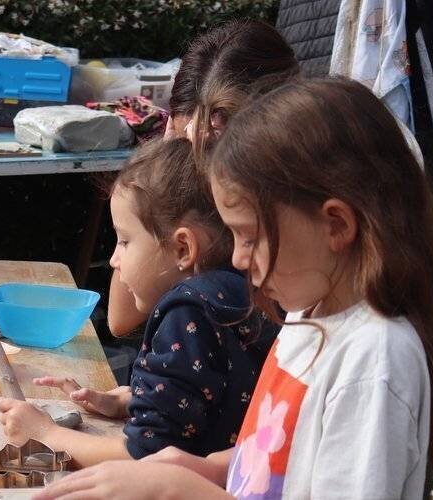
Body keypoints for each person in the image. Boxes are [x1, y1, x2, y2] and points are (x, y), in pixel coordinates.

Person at [35, 78, 433, 500]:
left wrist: (183, 490)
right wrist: (210, 467)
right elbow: (278, 454)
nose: (237, 259)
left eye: (251, 237)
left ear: (335, 225)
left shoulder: (374, 362)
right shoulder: (307, 313)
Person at [0, 139, 277, 467]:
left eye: (125, 241)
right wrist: (134, 401)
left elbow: (145, 457)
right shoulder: (241, 290)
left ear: (183, 248)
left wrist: (45, 433)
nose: (114, 259)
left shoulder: (187, 312)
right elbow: (215, 399)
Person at [106, 20, 299, 338]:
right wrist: (161, 173)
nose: (196, 169)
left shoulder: (289, 209)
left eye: (210, 151)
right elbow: (120, 319)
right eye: (185, 148)